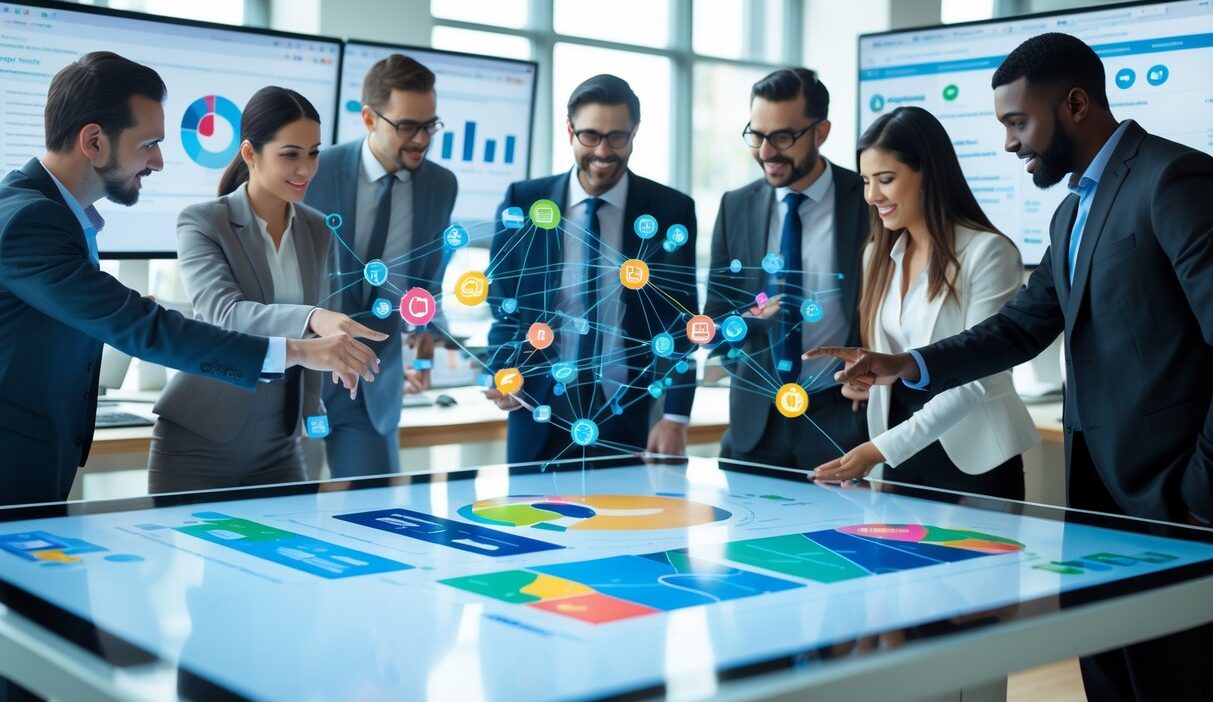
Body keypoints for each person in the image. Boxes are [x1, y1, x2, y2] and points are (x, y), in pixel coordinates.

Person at [807, 33, 1213, 701]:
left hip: (1173, 502)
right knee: (1111, 682)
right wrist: (904, 363)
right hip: (1098, 505)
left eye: (1016, 122)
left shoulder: (1172, 181)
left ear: (1075, 104)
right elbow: (1021, 328)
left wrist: (1201, 492)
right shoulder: (1070, 211)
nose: (1008, 144)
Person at [0, 52, 378, 508]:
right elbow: (147, 328)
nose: (158, 162)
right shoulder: (32, 219)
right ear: (94, 141)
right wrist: (300, 348)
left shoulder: (51, 215)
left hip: (36, 454)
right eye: (148, 144)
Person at [148, 87, 387, 493]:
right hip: (201, 436)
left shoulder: (316, 227)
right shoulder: (203, 222)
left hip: (280, 441)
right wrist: (311, 318)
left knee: (288, 553)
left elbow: (318, 330)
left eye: (313, 153)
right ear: (249, 154)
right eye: (290, 154)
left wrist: (335, 360)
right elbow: (225, 315)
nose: (307, 169)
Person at [810, 106, 1038, 499]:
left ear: (928, 175)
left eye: (885, 179)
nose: (871, 195)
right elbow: (897, 359)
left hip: (973, 457)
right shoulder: (876, 255)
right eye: (866, 181)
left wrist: (879, 450)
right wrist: (871, 380)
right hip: (899, 450)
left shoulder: (988, 253)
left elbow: (976, 376)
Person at [484, 74, 699, 464]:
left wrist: (675, 416)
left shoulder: (670, 211)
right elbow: (504, 300)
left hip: (627, 413)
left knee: (627, 522)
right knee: (527, 523)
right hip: (536, 409)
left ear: (634, 133)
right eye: (590, 136)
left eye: (617, 137)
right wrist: (503, 367)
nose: (603, 151)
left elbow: (679, 320)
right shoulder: (524, 200)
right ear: (570, 131)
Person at [704, 67, 869, 470]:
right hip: (752, 428)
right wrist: (749, 325)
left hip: (838, 422)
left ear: (821, 131)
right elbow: (714, 321)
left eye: (782, 137)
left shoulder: (868, 201)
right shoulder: (734, 206)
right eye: (756, 135)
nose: (765, 152)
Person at [305, 54, 457, 478]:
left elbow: (428, 281)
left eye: (430, 125)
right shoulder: (316, 169)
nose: (422, 139)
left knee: (375, 516)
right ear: (370, 118)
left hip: (373, 381)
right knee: (281, 515)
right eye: (407, 126)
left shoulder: (440, 185)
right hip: (304, 373)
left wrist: (425, 337)